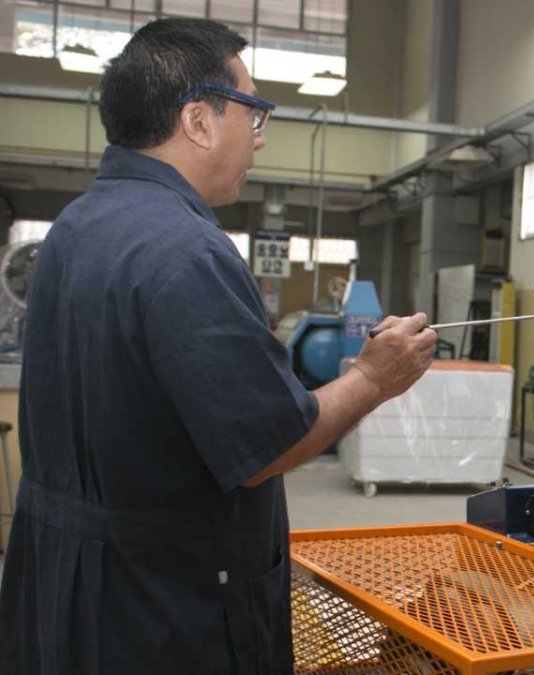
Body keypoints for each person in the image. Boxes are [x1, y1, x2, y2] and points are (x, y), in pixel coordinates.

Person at [0, 18, 436, 674]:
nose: (257, 142)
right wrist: (375, 377)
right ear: (200, 120)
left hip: (66, 591)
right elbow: (267, 444)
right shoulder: (186, 249)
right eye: (252, 114)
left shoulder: (74, 226)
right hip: (162, 612)